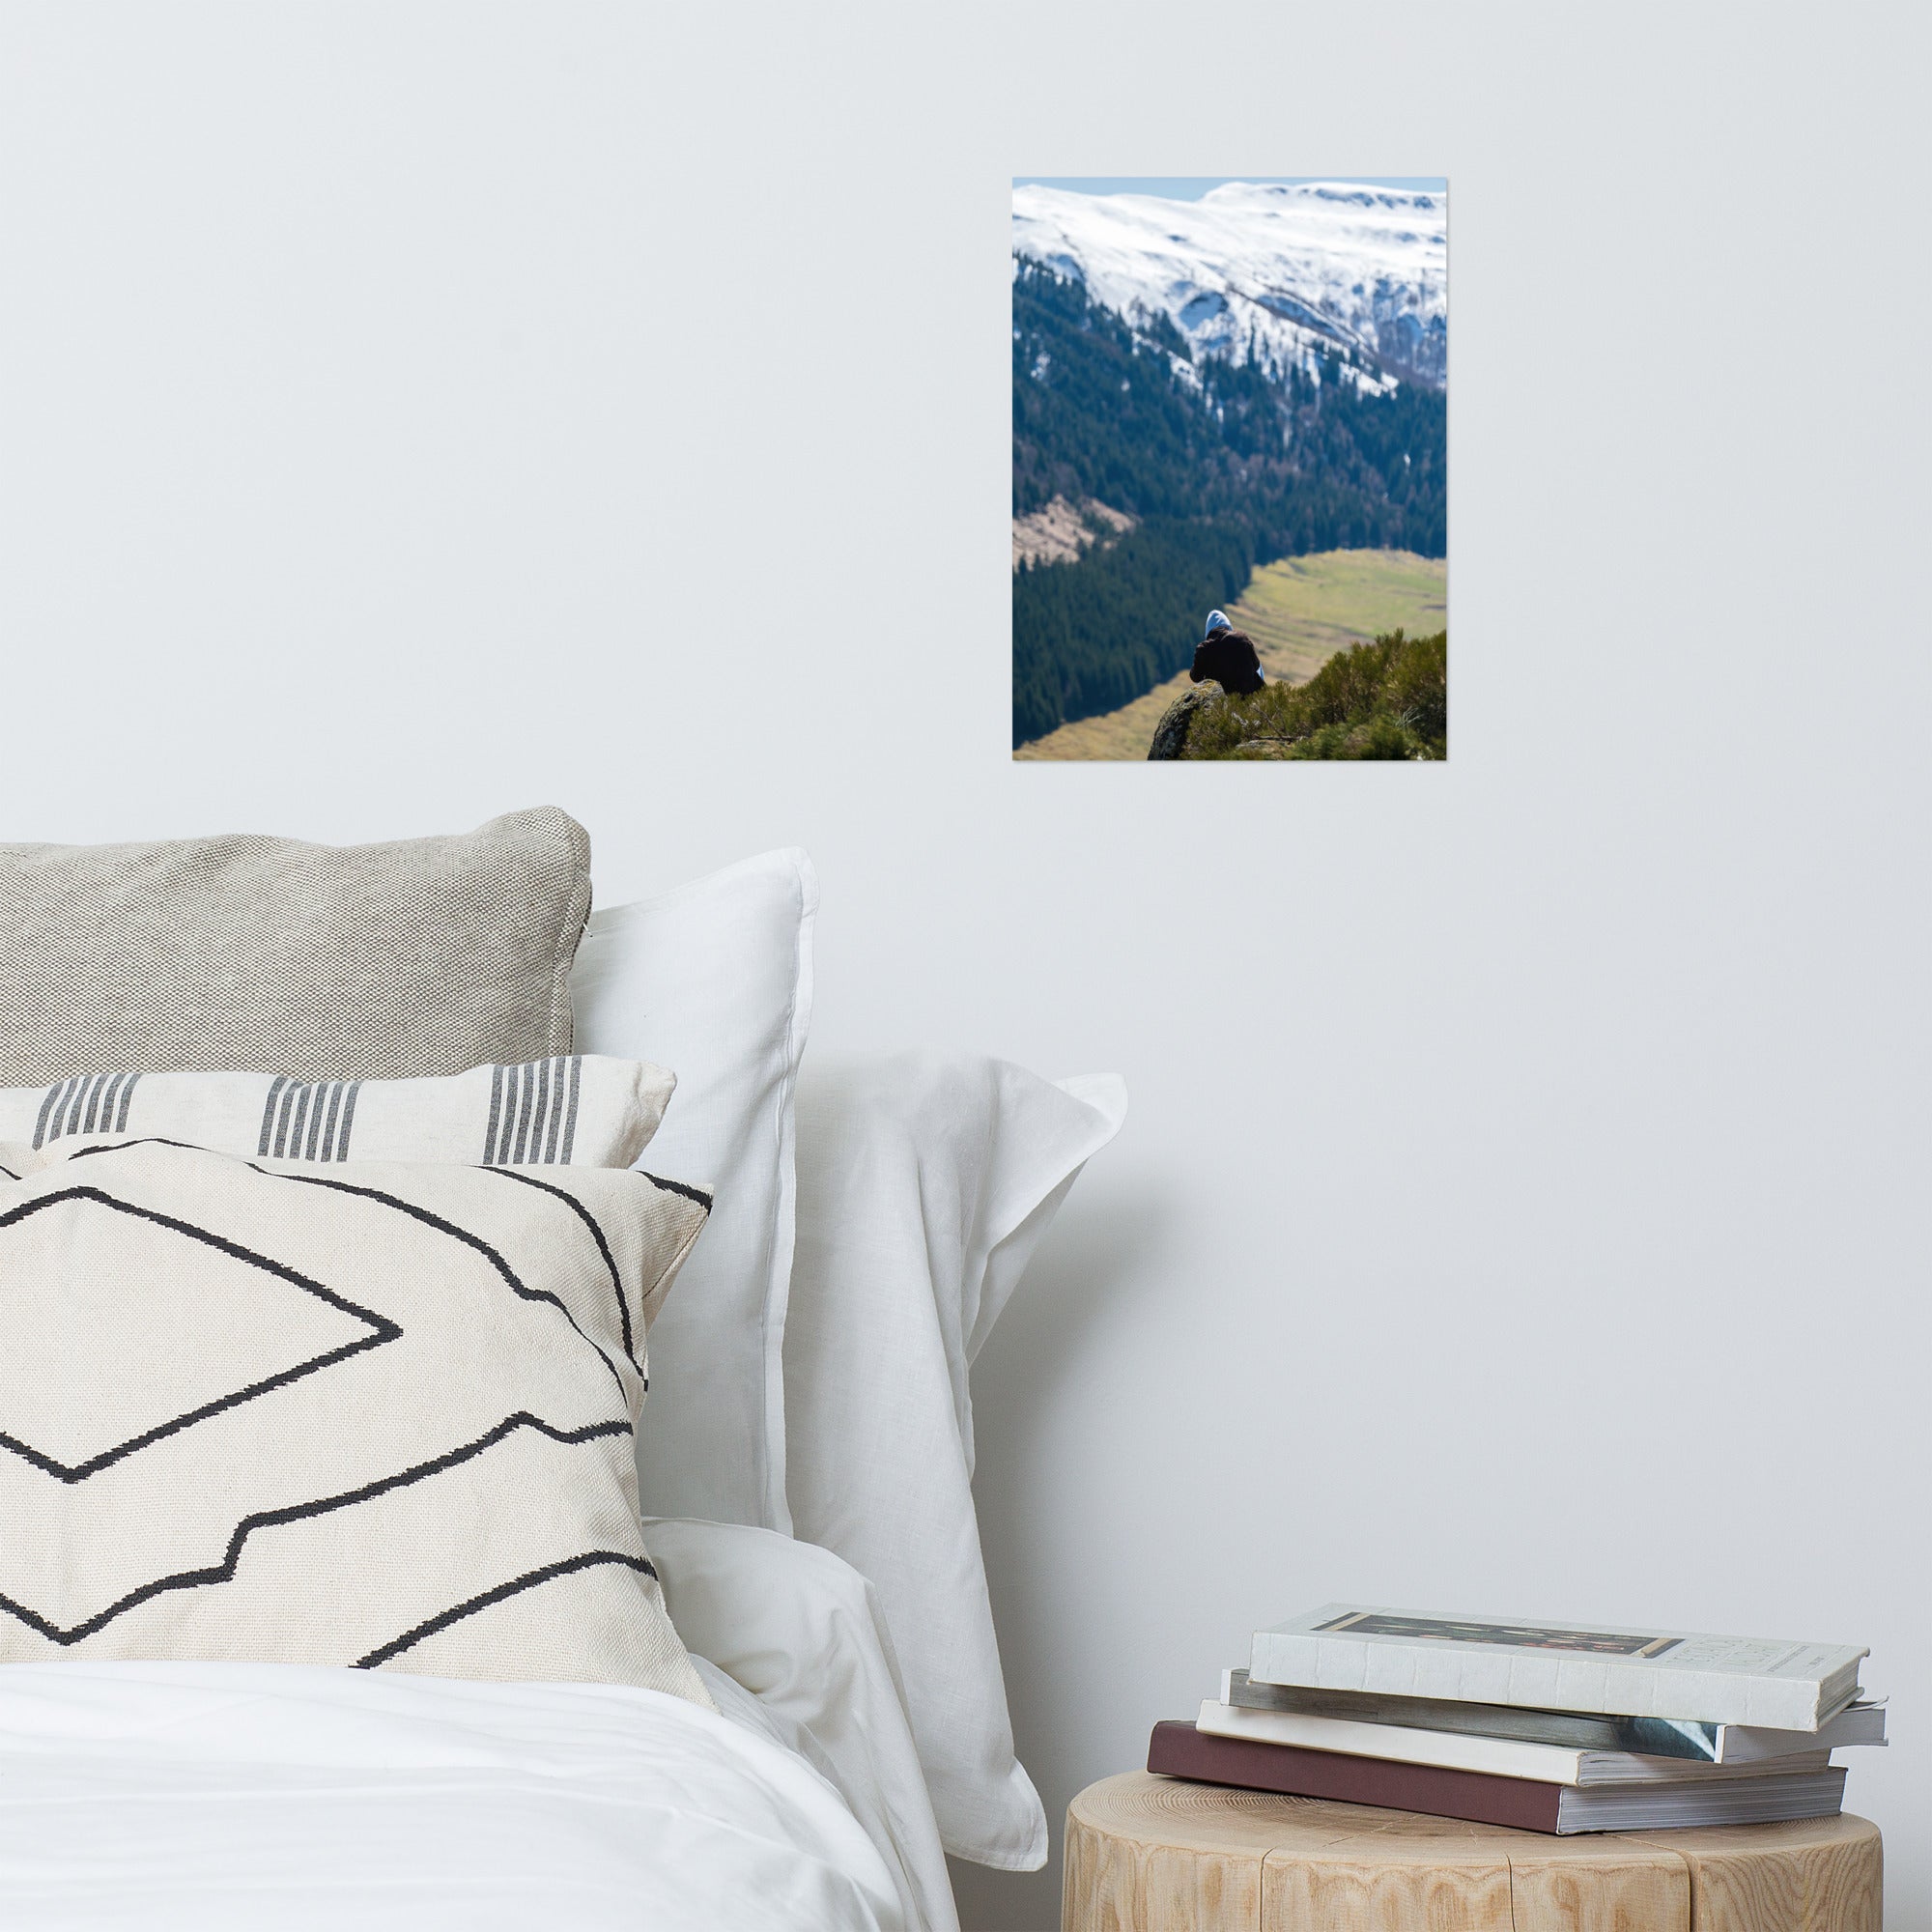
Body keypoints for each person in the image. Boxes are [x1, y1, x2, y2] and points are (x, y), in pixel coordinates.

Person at [1189, 610, 1264, 696]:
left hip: (1222, 702)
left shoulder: (1203, 649)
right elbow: (1257, 665)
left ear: (1208, 630)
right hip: (1250, 697)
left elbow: (1195, 677)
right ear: (1228, 625)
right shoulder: (1242, 638)